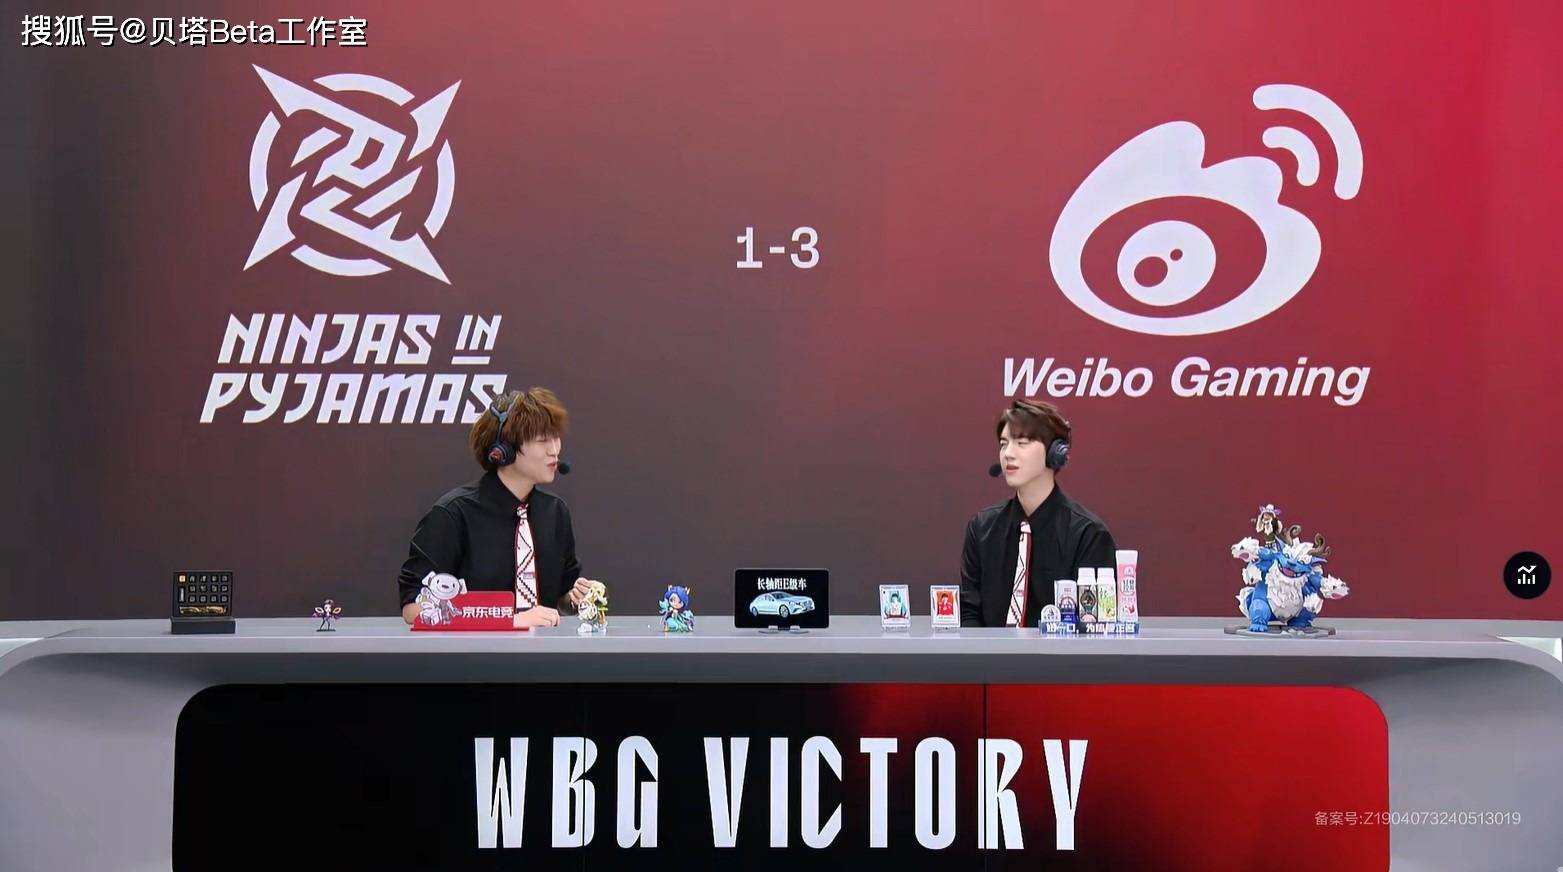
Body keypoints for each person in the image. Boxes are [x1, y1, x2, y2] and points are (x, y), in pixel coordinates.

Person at [397, 387, 599, 627]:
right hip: (474, 650)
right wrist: (507, 621)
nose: (554, 450)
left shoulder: (555, 512)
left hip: (544, 649)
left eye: (556, 438)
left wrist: (577, 597)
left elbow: (560, 598)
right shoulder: (453, 514)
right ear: (503, 450)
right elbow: (413, 608)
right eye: (542, 440)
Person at [960, 399, 1116, 627]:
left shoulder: (1088, 535)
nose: (1008, 454)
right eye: (1003, 444)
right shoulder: (982, 529)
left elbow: (1096, 626)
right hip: (990, 651)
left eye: (1022, 443)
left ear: (1055, 453)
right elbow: (969, 615)